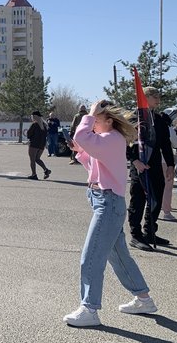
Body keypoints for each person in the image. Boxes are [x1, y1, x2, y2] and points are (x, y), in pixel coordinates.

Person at [62, 100, 157, 327]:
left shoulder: (112, 138)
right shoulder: (108, 139)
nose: (93, 123)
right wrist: (81, 152)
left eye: (96, 119)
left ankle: (89, 309)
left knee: (92, 256)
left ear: (109, 121)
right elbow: (93, 164)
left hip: (108, 203)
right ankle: (144, 299)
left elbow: (82, 137)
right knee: (119, 256)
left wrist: (88, 116)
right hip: (104, 201)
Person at [127, 87, 175, 252]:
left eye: (158, 96)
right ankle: (136, 235)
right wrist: (134, 161)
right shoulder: (133, 118)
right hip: (139, 166)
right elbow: (125, 143)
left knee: (156, 199)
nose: (158, 99)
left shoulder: (159, 120)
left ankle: (150, 231)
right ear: (144, 97)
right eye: (154, 96)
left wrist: (170, 165)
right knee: (138, 200)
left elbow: (165, 144)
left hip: (154, 165)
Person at [25, 111, 51, 180]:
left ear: (34, 116)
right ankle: (46, 170)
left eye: (32, 116)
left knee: (32, 160)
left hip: (34, 144)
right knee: (37, 159)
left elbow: (28, 134)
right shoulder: (44, 125)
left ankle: (34, 174)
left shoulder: (34, 124)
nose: (31, 118)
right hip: (41, 145)